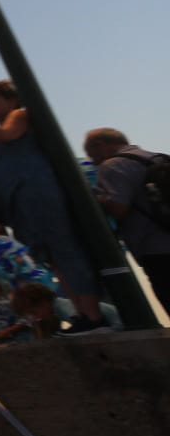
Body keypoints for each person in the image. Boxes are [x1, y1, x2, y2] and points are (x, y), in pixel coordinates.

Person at [0, 80, 107, 330]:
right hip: (16, 204)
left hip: (39, 195)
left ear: (11, 100)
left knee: (67, 253)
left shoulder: (19, 116)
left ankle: (94, 315)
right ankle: (81, 314)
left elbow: (8, 133)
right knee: (53, 260)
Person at [83, 128, 170, 308]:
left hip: (156, 249)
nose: (94, 162)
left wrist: (93, 198)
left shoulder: (112, 165)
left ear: (99, 145)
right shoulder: (159, 158)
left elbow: (119, 209)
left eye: (92, 156)